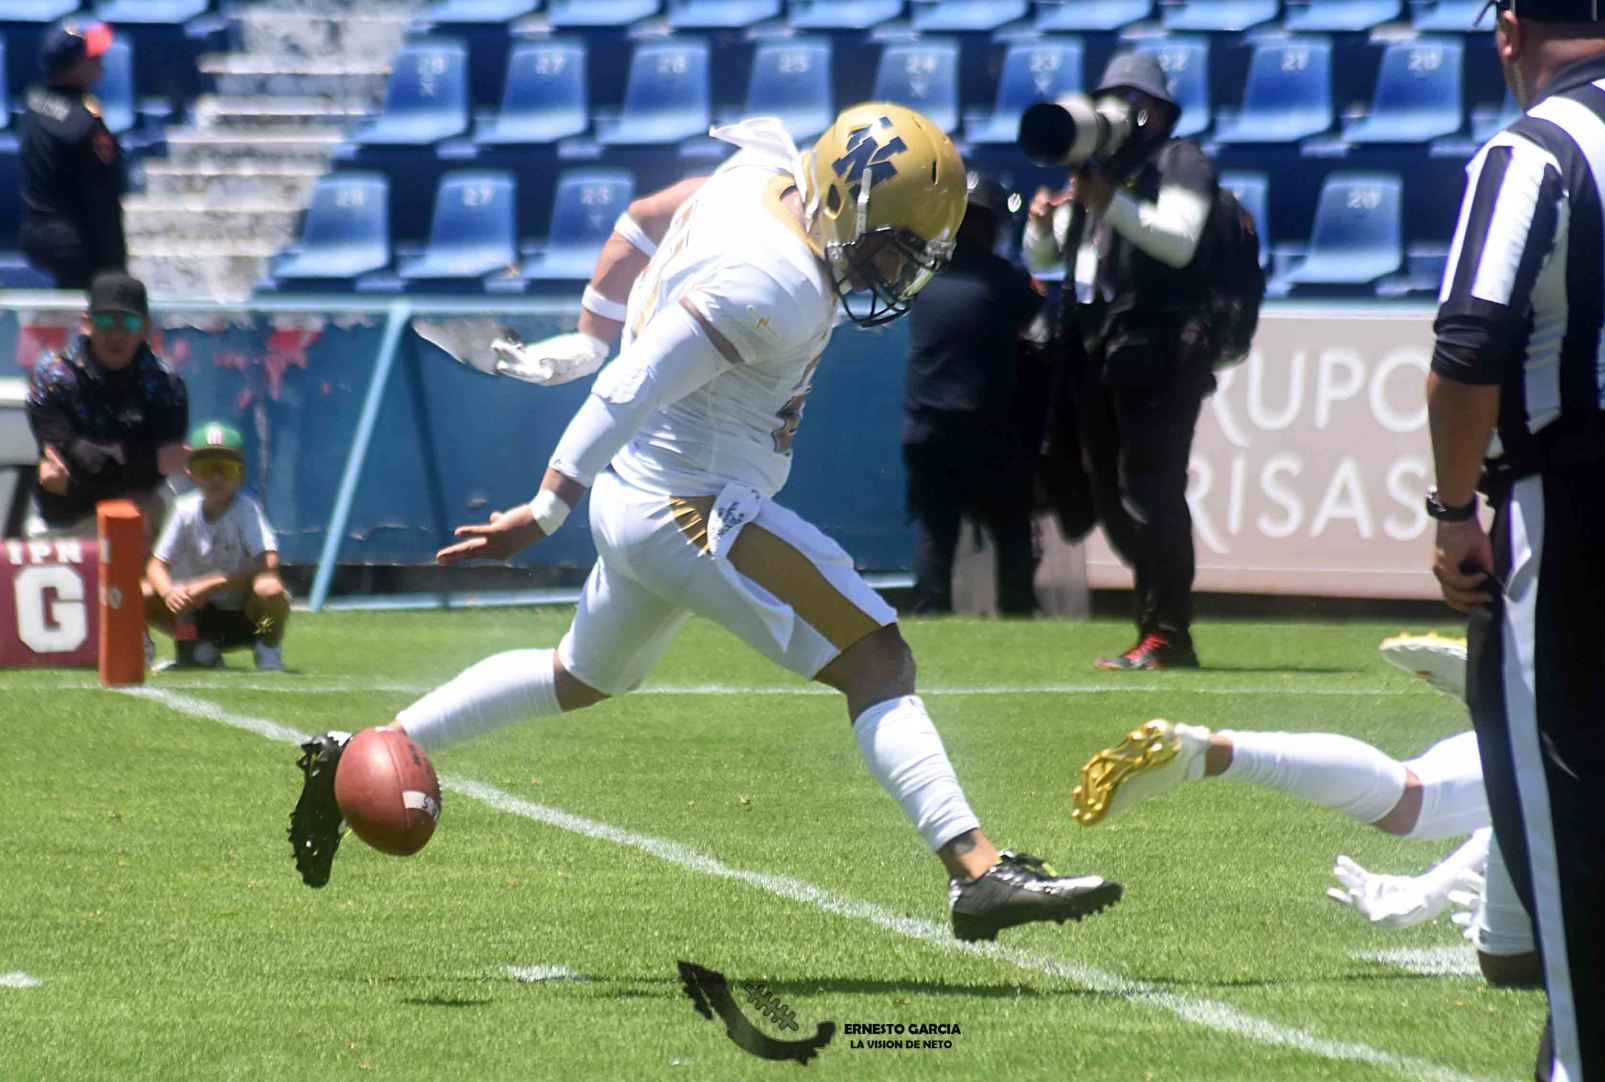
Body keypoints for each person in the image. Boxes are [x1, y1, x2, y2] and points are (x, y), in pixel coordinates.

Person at [287, 105, 1124, 943]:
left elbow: (643, 216)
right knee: (878, 659)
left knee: (578, 676)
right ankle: (977, 872)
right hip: (688, 506)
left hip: (641, 495)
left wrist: (593, 327)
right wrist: (546, 507)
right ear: (839, 200)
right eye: (887, 247)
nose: (890, 272)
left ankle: (367, 745)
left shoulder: (758, 177)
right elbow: (629, 386)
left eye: (911, 256)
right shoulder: (776, 282)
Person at [1427, 0, 1605, 1082]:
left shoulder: (1534, 148)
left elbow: (1468, 346)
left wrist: (1451, 514)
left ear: (1509, 28)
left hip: (1581, 496)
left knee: (1569, 793)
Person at [1069, 633, 1540, 988]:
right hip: (1574, 742)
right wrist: (1432, 889)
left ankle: (1206, 753)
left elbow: (1522, 806)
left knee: (1411, 799)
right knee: (1515, 964)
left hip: (1562, 741)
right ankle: (1510, 710)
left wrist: (1431, 888)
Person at [1023, 52, 1220, 671]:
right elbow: (1051, 266)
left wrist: (1108, 201)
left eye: (1129, 98)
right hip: (1105, 349)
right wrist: (1044, 228)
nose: (1114, 110)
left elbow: (1179, 242)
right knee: (1110, 495)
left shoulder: (1180, 159)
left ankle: (1168, 633)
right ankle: (1155, 622)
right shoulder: (1109, 171)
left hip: (1162, 349)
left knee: (1151, 489)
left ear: (1155, 109)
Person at [901, 171, 1046, 615]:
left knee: (935, 531)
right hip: (989, 430)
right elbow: (1042, 327)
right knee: (1011, 530)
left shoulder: (920, 277)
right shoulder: (1003, 278)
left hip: (927, 427)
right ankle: (1018, 618)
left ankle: (931, 618)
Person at [24, 272, 187, 539]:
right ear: (87, 323)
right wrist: (144, 461)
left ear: (145, 328)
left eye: (129, 323)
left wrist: (95, 463)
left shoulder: (166, 383)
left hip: (140, 511)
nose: (116, 334)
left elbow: (165, 464)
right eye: (106, 320)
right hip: (68, 517)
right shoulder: (53, 377)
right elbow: (80, 458)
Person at [145, 423, 289, 672]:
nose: (216, 478)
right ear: (191, 472)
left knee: (270, 589)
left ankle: (267, 644)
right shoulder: (184, 510)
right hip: (196, 617)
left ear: (241, 474)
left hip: (250, 622)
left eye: (226, 469)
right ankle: (200, 647)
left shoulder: (246, 510)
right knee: (143, 593)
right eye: (206, 468)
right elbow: (156, 565)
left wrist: (212, 583)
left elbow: (269, 561)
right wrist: (169, 593)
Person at [19, 20, 127, 289]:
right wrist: (115, 265)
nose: (100, 60)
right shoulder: (83, 124)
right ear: (74, 65)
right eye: (92, 56)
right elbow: (102, 199)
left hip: (37, 231)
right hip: (76, 242)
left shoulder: (34, 103)